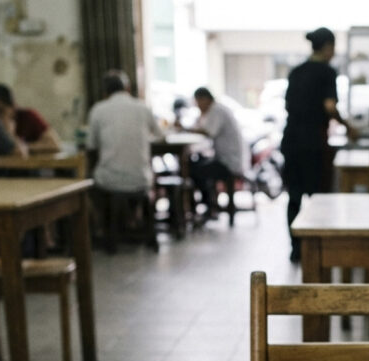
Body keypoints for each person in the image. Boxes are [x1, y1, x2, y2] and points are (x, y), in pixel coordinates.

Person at [282, 27, 355, 263]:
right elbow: (329, 107)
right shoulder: (327, 72)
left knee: (294, 196)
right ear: (328, 47)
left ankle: (296, 248)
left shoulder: (296, 72)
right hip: (313, 142)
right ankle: (316, 249)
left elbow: (289, 106)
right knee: (317, 197)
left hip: (291, 140)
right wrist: (349, 127)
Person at [85, 69, 163, 252]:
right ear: (127, 88)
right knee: (132, 184)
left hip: (110, 180)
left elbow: (91, 146)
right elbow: (160, 136)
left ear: (105, 92)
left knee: (91, 186)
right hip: (141, 178)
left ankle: (107, 231)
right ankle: (133, 223)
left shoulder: (98, 110)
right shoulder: (143, 107)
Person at [176, 86, 247, 221]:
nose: (198, 107)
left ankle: (207, 207)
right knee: (197, 164)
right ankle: (208, 206)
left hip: (229, 162)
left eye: (198, 103)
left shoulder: (216, 111)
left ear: (205, 99)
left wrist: (186, 129)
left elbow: (208, 132)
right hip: (226, 158)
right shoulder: (216, 110)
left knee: (193, 170)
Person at [0, 83, 62, 154]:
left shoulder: (28, 116)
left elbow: (54, 144)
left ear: (13, 107)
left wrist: (23, 145)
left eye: (0, 111)